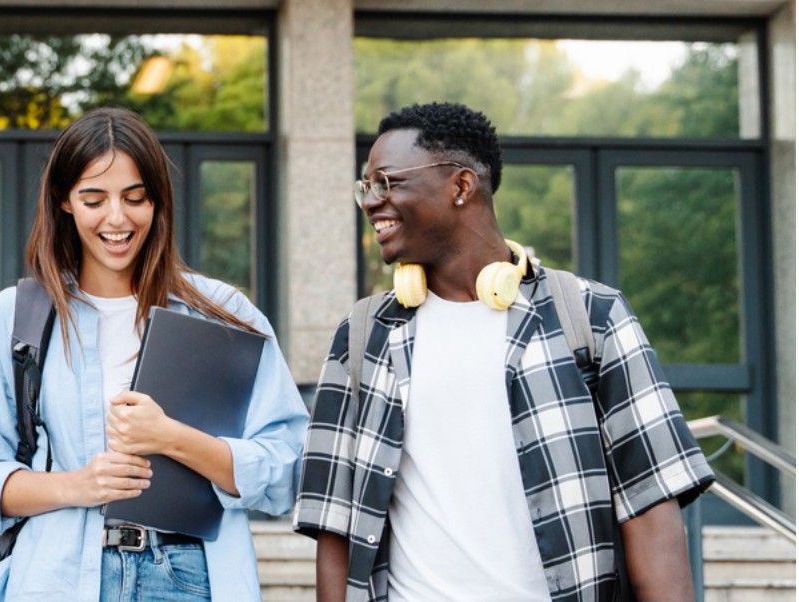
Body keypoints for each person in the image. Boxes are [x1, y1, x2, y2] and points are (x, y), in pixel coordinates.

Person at [294, 102, 715, 602]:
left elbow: (650, 506)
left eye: (387, 182)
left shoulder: (591, 315)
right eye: (366, 187)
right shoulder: (363, 333)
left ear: (461, 186)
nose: (370, 202)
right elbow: (334, 519)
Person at [0, 107, 308, 601]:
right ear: (65, 202)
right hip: (57, 577)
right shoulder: (14, 316)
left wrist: (173, 438)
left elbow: (288, 469)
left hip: (189, 576)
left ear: (158, 202)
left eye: (134, 198)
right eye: (94, 199)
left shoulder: (222, 314)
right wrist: (78, 485)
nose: (117, 219)